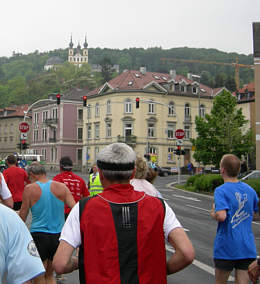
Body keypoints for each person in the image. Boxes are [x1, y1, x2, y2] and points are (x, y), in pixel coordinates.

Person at [53, 142, 195, 283]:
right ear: (133, 173)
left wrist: (80, 262)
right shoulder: (159, 206)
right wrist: (160, 271)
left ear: (100, 174)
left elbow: (60, 264)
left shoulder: (83, 208)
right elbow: (186, 253)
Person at [19, 162, 76, 284]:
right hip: (58, 236)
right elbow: (75, 208)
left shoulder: (29, 189)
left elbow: (23, 216)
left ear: (32, 175)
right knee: (50, 275)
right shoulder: (62, 187)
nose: (29, 180)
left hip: (39, 235)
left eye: (29, 178)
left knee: (39, 276)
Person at [210, 154, 259, 284]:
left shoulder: (221, 191)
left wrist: (214, 213)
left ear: (222, 170)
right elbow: (256, 215)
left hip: (226, 246)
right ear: (238, 170)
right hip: (247, 247)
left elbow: (221, 216)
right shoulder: (250, 190)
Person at [0, 203, 45, 283]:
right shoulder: (8, 217)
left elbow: (23, 214)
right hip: (53, 235)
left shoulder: (30, 191)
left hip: (37, 233)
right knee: (47, 275)